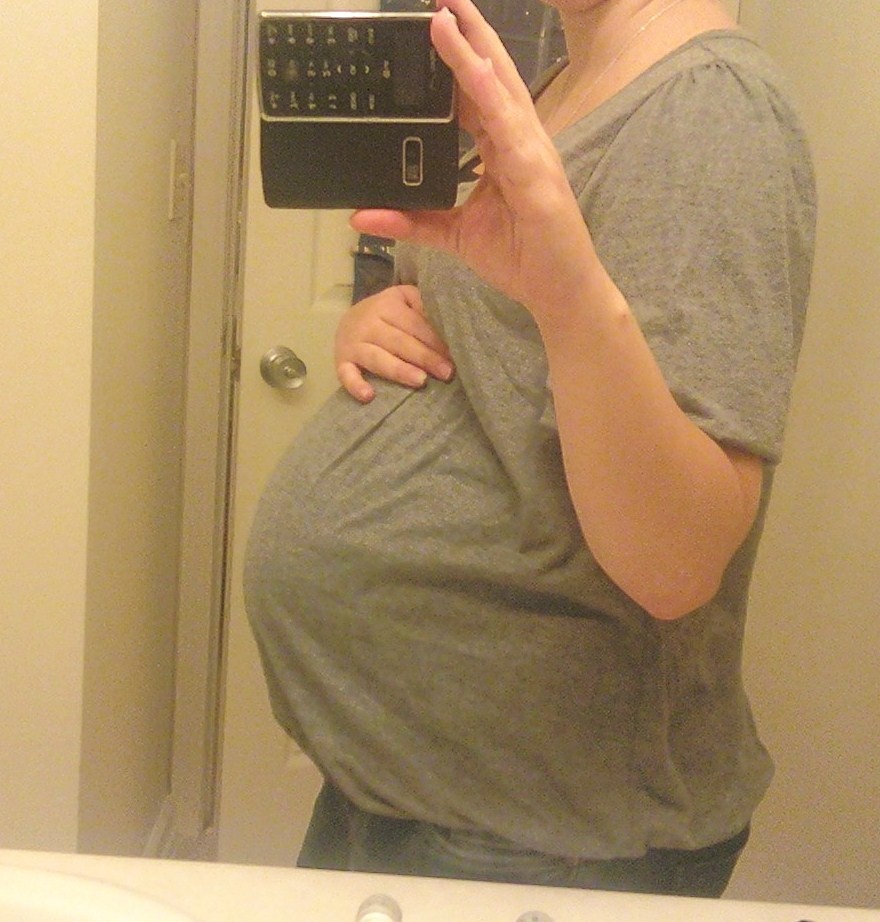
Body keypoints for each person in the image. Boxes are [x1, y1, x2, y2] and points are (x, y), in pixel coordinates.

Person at [243, 0, 817, 898]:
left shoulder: (712, 106)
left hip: (541, 833)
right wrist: (377, 320)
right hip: (417, 789)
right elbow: (508, 364)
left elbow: (675, 562)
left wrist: (568, 296)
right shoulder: (560, 81)